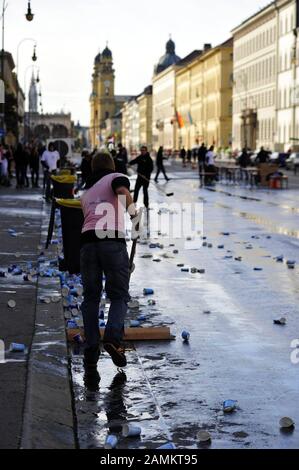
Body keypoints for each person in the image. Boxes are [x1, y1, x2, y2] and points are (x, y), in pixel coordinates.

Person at [80, 152, 138, 369]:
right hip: (110, 240)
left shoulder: (85, 194)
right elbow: (123, 192)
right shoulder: (115, 177)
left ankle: (91, 349)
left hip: (86, 243)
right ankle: (113, 339)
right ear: (112, 166)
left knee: (91, 297)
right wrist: (135, 218)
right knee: (119, 294)